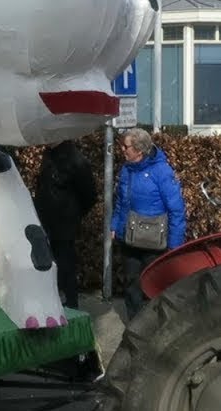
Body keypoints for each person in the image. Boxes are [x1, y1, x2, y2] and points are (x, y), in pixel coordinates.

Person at [111, 127, 186, 314]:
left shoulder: (162, 171)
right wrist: (115, 227)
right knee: (131, 284)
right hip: (130, 238)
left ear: (139, 150)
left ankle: (156, 324)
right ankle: (134, 324)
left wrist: (175, 245)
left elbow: (176, 209)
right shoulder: (126, 169)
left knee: (155, 286)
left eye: (125, 146)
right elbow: (121, 202)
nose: (122, 149)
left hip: (154, 242)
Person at [33, 140, 97, 309]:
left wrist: (73, 213)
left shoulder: (74, 158)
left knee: (65, 265)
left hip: (64, 223)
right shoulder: (49, 154)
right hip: (47, 221)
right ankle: (54, 300)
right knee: (50, 263)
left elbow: (90, 194)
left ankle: (70, 303)